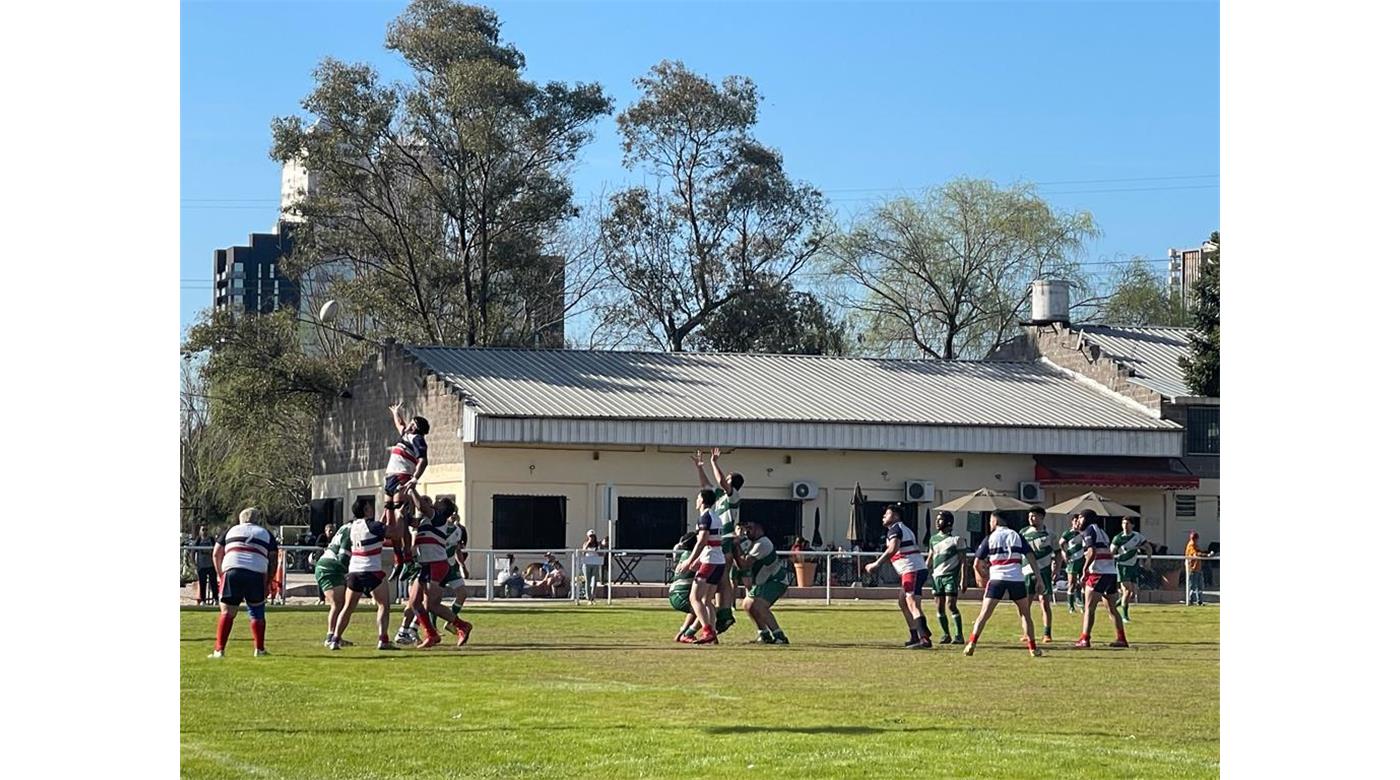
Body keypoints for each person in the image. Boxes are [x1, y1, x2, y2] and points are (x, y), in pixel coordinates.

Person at [963, 512, 1042, 657]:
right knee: (1025, 614)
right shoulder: (1017, 535)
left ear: (996, 520)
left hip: (997, 578)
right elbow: (1030, 556)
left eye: (991, 521)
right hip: (1016, 579)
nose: (990, 524)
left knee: (984, 615)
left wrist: (983, 576)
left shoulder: (990, 537)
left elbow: (976, 563)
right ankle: (1033, 648)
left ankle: (971, 643)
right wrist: (1038, 577)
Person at [402, 495, 474, 648]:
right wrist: (401, 506)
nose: (434, 503)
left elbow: (421, 506)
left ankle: (461, 626)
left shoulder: (438, 518)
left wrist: (412, 488)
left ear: (443, 510)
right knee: (415, 603)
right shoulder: (426, 520)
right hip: (426, 565)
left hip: (437, 564)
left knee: (431, 605)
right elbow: (410, 521)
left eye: (438, 503)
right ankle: (432, 634)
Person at [208, 508, 278, 659]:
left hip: (232, 571)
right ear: (258, 520)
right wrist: (268, 581)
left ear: (241, 519)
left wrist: (221, 574)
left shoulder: (231, 531)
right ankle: (259, 649)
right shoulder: (266, 534)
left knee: (227, 612)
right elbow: (273, 559)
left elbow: (216, 553)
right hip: (256, 573)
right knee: (257, 611)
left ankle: (219, 650)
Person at [330, 497, 398, 651]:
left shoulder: (353, 526)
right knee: (383, 605)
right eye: (369, 507)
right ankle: (383, 639)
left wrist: (386, 510)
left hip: (354, 571)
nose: (372, 508)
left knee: (348, 607)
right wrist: (398, 515)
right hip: (372, 571)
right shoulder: (373, 526)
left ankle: (335, 639)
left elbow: (375, 528)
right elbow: (395, 533)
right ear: (366, 510)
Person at [864, 505, 933, 649]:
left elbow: (893, 548)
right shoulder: (903, 528)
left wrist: (876, 564)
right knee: (903, 602)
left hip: (911, 570)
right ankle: (915, 635)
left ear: (895, 516)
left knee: (912, 603)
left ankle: (924, 638)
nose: (883, 516)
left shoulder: (895, 529)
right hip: (915, 569)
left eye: (887, 514)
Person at [693, 448, 745, 635]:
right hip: (719, 540)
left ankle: (725, 611)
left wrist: (714, 463)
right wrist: (700, 467)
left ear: (732, 482)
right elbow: (706, 487)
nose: (724, 480)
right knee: (720, 578)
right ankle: (720, 611)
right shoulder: (722, 498)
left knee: (724, 578)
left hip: (726, 540)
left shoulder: (733, 496)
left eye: (727, 478)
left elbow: (721, 481)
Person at [383, 402, 430, 569]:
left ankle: (407, 556)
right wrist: (396, 412)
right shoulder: (405, 435)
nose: (409, 423)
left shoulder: (417, 439)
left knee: (399, 516)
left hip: (402, 477)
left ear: (416, 426)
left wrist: (415, 478)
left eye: (412, 422)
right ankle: (398, 558)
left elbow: (423, 461)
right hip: (390, 478)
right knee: (390, 520)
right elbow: (400, 424)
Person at [1073, 509, 1129, 648]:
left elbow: (1092, 552)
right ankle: (1121, 638)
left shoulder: (1089, 531)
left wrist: (1085, 569)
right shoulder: (1101, 531)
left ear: (1085, 519)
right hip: (1110, 572)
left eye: (1080, 518)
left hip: (1098, 572)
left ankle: (1085, 639)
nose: (1078, 521)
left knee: (1089, 608)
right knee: (1111, 608)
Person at [732, 518, 791, 645]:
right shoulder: (750, 543)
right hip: (764, 581)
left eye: (750, 528)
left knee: (759, 606)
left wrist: (735, 545)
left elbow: (744, 564)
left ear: (759, 529)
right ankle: (764, 634)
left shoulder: (763, 543)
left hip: (776, 580)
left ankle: (779, 636)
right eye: (746, 529)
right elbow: (741, 564)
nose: (747, 532)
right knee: (748, 605)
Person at [680, 488, 725, 645]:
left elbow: (702, 541)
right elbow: (712, 542)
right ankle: (712, 636)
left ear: (703, 500)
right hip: (718, 561)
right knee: (707, 600)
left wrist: (688, 561)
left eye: (698, 498)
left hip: (710, 561)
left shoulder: (705, 518)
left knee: (695, 597)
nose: (696, 501)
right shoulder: (716, 517)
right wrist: (698, 559)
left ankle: (708, 631)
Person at [315, 503, 361, 648]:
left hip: (329, 566)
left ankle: (336, 636)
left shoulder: (344, 527)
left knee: (340, 605)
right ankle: (331, 636)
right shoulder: (350, 531)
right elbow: (343, 557)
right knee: (338, 604)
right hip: (331, 567)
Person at [924, 511, 967, 645]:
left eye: (940, 520)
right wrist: (923, 572)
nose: (937, 522)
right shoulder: (933, 539)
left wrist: (963, 579)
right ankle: (946, 634)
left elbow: (963, 561)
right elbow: (930, 558)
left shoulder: (957, 540)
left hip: (950, 576)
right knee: (939, 607)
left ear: (948, 522)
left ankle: (959, 635)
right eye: (937, 519)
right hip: (937, 577)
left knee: (951, 604)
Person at [1019, 506, 1056, 644]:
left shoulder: (1050, 534)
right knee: (1024, 604)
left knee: (1044, 603)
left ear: (1041, 517)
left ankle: (1047, 633)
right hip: (1026, 572)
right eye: (1029, 516)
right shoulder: (1023, 533)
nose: (1030, 518)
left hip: (1044, 571)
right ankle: (1026, 632)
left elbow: (1057, 552)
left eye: (1033, 516)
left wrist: (1057, 569)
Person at [1111, 517, 1151, 621]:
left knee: (1132, 594)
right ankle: (1124, 617)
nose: (1125, 525)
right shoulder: (1118, 538)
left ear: (1132, 525)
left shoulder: (1137, 536)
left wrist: (1148, 559)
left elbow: (1148, 547)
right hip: (1122, 566)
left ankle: (1113, 607)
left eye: (1127, 523)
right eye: (1123, 523)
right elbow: (1111, 552)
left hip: (1133, 566)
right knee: (1127, 591)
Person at [669, 531, 700, 642]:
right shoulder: (693, 557)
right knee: (705, 610)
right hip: (680, 595)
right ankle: (688, 634)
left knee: (695, 610)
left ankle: (682, 632)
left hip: (676, 593)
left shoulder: (685, 554)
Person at [1058, 513, 1088, 614]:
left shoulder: (1083, 533)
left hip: (1083, 560)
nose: (1077, 523)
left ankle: (1082, 603)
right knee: (1072, 583)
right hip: (1073, 561)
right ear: (1072, 522)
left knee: (1083, 582)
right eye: (1075, 521)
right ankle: (1070, 605)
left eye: (1078, 521)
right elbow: (1061, 543)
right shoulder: (1068, 533)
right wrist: (1065, 553)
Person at [1184, 531, 1213, 605]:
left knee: (1200, 586)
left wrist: (1207, 553)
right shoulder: (1191, 545)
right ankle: (1190, 600)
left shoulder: (1195, 545)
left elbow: (1199, 551)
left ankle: (1199, 601)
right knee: (1192, 586)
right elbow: (1196, 554)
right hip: (1193, 569)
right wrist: (1206, 555)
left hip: (1198, 568)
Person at [192, 525, 217, 606]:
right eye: (203, 530)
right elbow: (193, 551)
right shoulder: (198, 540)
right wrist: (194, 562)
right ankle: (203, 600)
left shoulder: (212, 540)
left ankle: (215, 599)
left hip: (211, 565)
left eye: (206, 529)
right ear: (200, 531)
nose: (205, 531)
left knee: (213, 583)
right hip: (201, 566)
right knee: (202, 583)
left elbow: (217, 550)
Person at [581, 529, 603, 603]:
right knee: (587, 581)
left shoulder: (598, 545)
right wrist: (587, 544)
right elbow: (583, 553)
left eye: (593, 536)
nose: (592, 538)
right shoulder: (585, 544)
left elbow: (602, 554)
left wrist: (598, 550)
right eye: (590, 536)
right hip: (587, 564)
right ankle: (588, 597)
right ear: (588, 536)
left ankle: (593, 597)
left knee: (594, 581)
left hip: (595, 564)